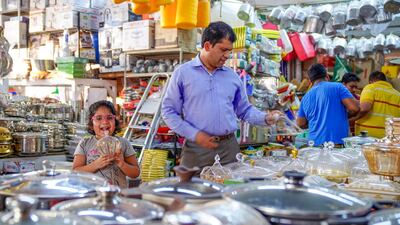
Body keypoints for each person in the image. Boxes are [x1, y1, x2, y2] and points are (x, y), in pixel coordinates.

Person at [161, 21, 281, 172]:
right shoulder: (182, 74)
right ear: (207, 46)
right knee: (194, 193)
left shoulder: (232, 77)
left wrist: (265, 118)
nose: (227, 55)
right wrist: (195, 135)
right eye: (223, 50)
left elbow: (244, 110)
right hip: (196, 149)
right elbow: (168, 111)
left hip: (228, 149)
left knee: (229, 191)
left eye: (229, 51)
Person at [73, 100, 140, 188]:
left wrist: (121, 163)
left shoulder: (124, 143)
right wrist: (95, 165)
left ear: (115, 121)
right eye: (99, 118)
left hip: (117, 194)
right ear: (91, 123)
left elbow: (135, 173)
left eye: (109, 118)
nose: (105, 122)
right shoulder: (84, 144)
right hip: (93, 194)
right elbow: (75, 171)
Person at [296, 64, 359, 146]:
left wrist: (317, 121)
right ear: (327, 76)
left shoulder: (306, 97)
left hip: (314, 145)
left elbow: (301, 123)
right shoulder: (338, 87)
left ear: (310, 81)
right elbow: (354, 108)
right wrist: (342, 115)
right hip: (336, 145)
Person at [352, 71, 400, 138]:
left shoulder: (371, 88)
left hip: (369, 136)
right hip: (389, 137)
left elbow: (364, 109)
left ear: (371, 81)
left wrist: (353, 119)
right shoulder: (397, 94)